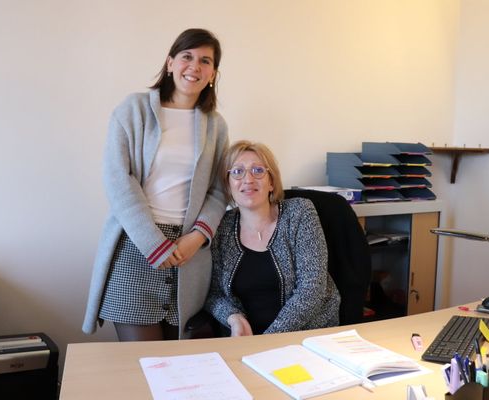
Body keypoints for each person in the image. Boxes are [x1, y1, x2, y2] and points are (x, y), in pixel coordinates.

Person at [82, 28, 228, 341]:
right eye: (187, 56)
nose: (195, 66)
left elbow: (218, 192)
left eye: (205, 60)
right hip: (136, 246)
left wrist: (197, 237)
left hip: (189, 254)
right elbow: (118, 179)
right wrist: (154, 243)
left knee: (178, 369)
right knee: (142, 367)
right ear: (170, 62)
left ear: (213, 73)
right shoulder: (132, 110)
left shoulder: (215, 125)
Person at [205, 140, 340, 336]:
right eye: (237, 172)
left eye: (258, 170)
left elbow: (312, 288)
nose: (248, 179)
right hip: (244, 340)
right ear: (228, 185)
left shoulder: (299, 213)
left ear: (271, 182)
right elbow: (214, 293)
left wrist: (269, 339)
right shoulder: (221, 226)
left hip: (307, 336)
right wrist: (234, 318)